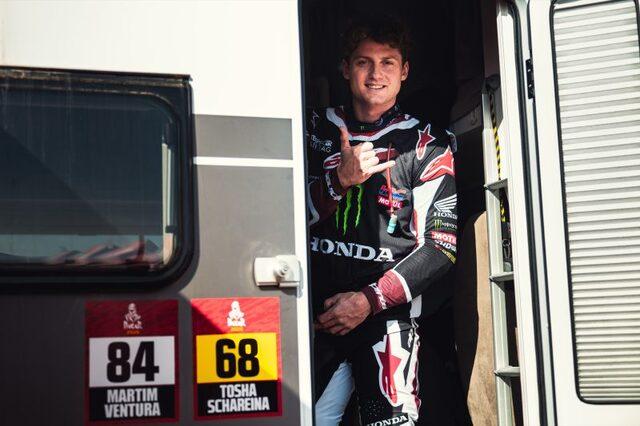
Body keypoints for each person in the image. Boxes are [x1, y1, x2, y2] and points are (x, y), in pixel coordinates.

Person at [306, 15, 458, 426]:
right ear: (345, 68)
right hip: (314, 318)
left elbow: (441, 247)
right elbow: (274, 217)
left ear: (404, 70)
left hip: (385, 319)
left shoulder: (429, 144)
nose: (376, 74)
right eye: (364, 62)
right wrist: (338, 182)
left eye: (387, 62)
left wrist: (367, 301)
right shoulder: (311, 129)